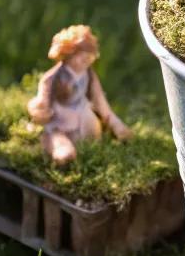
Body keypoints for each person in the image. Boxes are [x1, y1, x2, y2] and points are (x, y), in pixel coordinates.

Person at [27, 24, 131, 166]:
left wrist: (114, 122)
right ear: (67, 54)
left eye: (89, 56)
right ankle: (59, 147)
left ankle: (83, 145)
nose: (86, 59)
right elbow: (42, 99)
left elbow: (100, 101)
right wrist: (40, 108)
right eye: (81, 55)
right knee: (58, 139)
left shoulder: (89, 75)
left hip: (84, 119)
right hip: (61, 119)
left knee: (90, 136)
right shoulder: (53, 78)